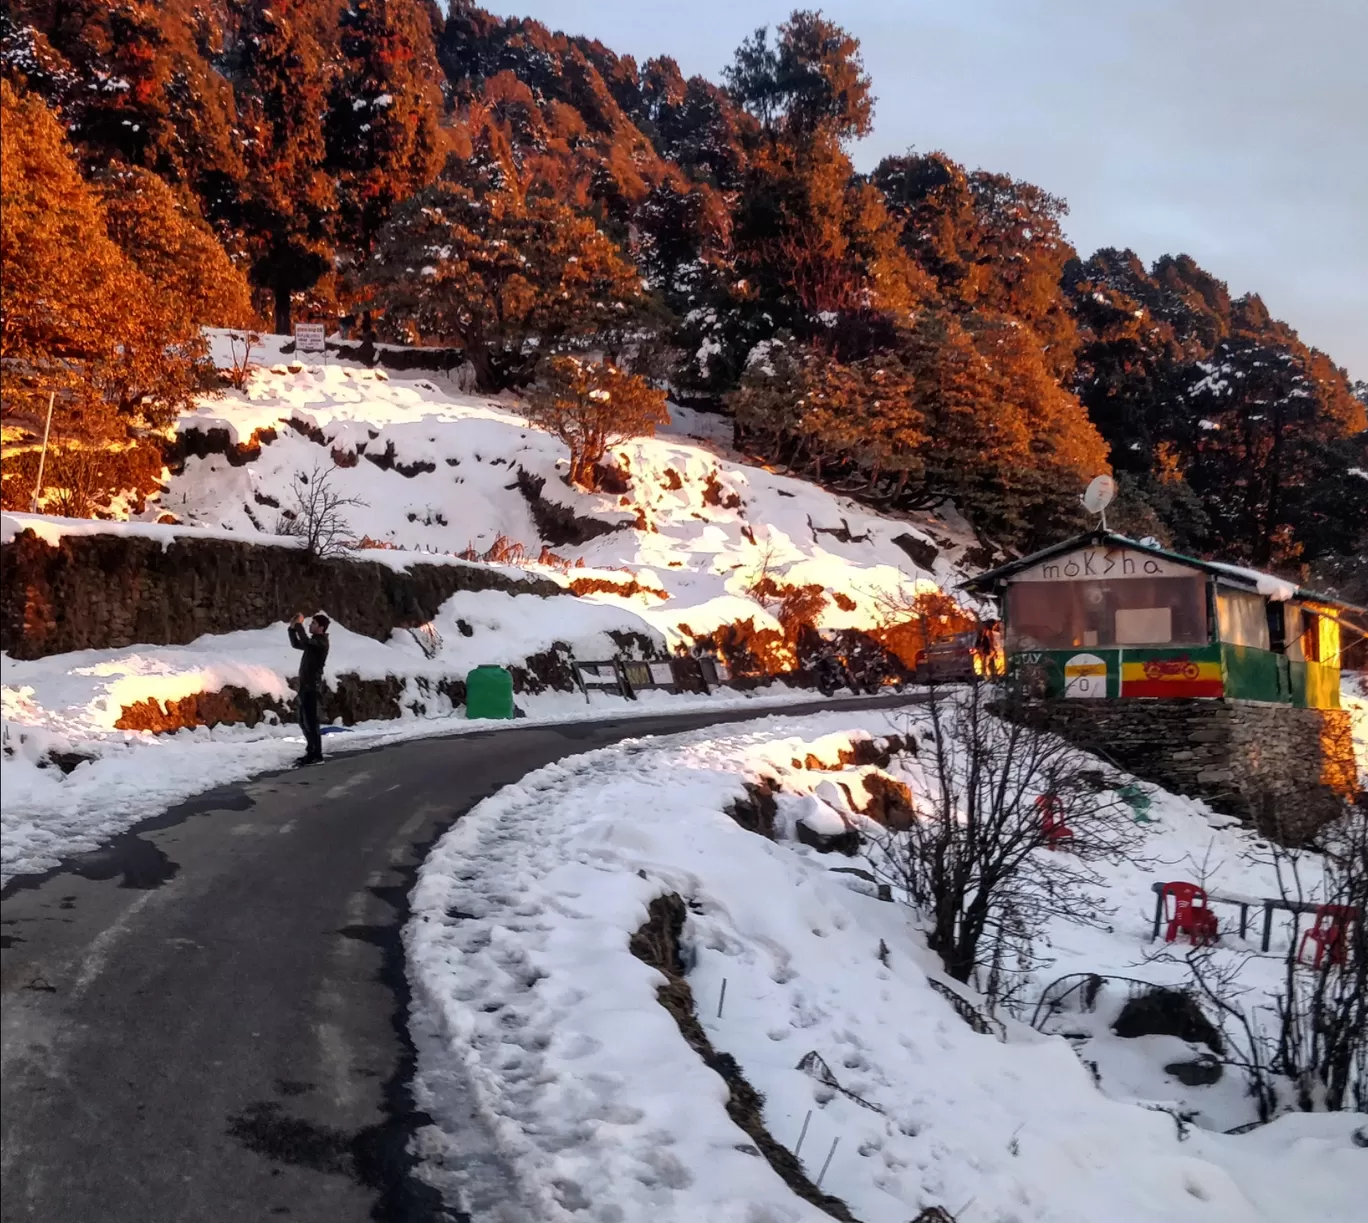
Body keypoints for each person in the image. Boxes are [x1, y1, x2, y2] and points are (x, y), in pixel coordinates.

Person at [289, 612, 330, 765]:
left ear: (321, 627)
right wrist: (292, 629)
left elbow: (305, 640)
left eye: (313, 623)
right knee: (303, 721)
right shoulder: (313, 643)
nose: (310, 625)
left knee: (311, 722)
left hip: (312, 687)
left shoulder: (321, 643)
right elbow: (297, 644)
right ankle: (311, 751)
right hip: (305, 686)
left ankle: (317, 755)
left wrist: (299, 624)